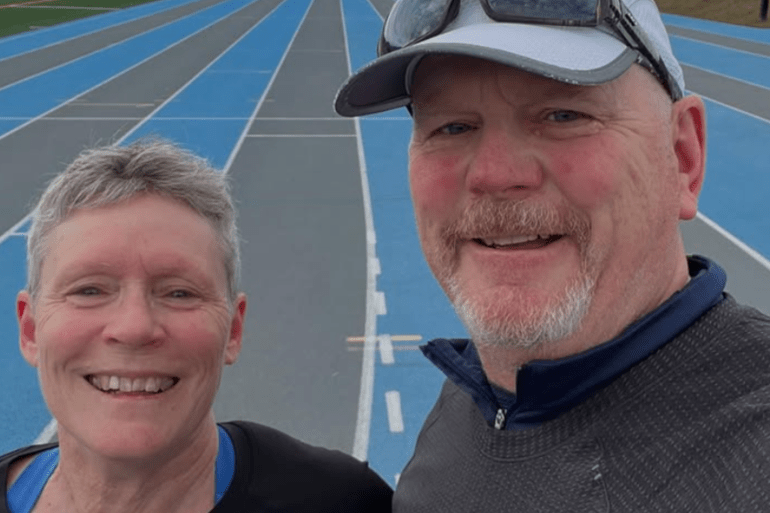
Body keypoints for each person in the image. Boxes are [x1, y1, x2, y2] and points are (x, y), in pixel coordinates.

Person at [334, 0, 770, 510]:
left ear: (683, 156)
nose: (495, 175)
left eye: (563, 115)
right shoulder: (472, 400)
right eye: (452, 127)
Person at [0, 140, 393, 513]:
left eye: (179, 293)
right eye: (88, 290)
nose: (135, 327)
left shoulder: (343, 502)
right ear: (30, 330)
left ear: (233, 331)